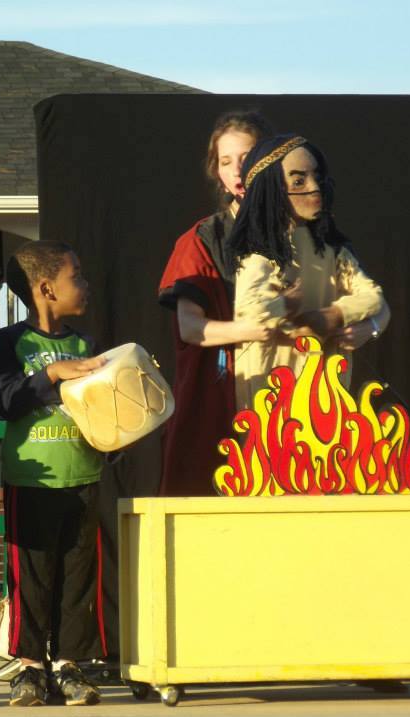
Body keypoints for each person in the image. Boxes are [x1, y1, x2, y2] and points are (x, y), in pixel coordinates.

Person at [0, 242, 105, 707]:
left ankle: (69, 664)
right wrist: (53, 374)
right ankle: (30, 667)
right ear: (46, 288)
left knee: (78, 579)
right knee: (32, 580)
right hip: (31, 481)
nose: (86, 285)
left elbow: (101, 407)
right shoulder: (10, 342)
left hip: (83, 476)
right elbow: (8, 401)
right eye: (76, 276)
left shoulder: (86, 344)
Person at [157, 110, 275, 497]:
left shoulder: (306, 237)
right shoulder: (199, 240)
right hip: (224, 401)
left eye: (247, 157)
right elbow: (192, 328)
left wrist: (365, 323)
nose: (237, 170)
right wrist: (259, 329)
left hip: (293, 399)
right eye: (226, 161)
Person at [227, 134, 389, 409]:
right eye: (299, 181)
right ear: (272, 191)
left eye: (317, 177)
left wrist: (337, 315)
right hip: (274, 401)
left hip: (329, 398)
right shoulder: (258, 257)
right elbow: (252, 313)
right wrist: (289, 304)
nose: (314, 188)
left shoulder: (333, 252)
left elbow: (374, 297)